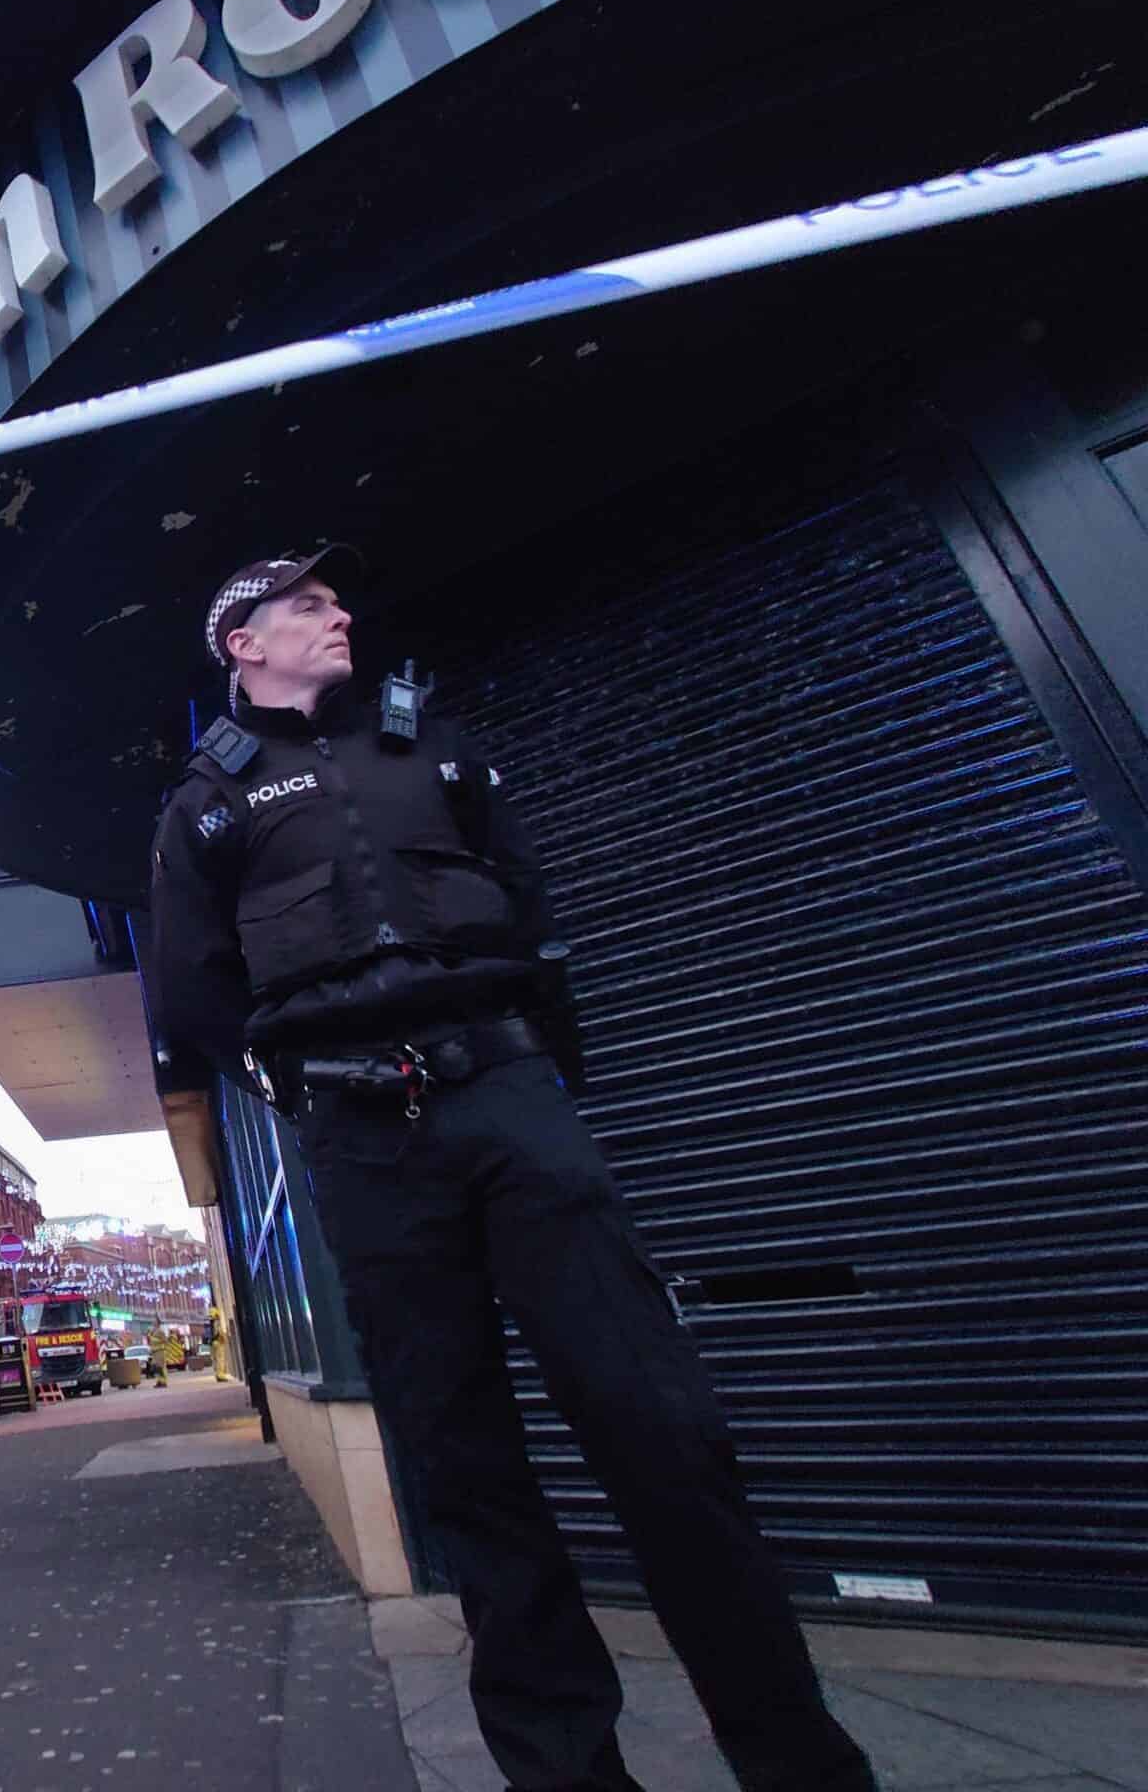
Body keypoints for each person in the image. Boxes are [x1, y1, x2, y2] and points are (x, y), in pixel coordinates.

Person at [144, 545, 876, 1792]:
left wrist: (528, 1073)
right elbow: (195, 987)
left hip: (508, 1099)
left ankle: (798, 1761)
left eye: (336, 600)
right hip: (365, 1143)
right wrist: (311, 1093)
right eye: (308, 606)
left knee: (661, 1429)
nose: (340, 615)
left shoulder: (435, 748)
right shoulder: (204, 805)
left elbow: (528, 911)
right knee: (465, 1465)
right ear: (242, 644)